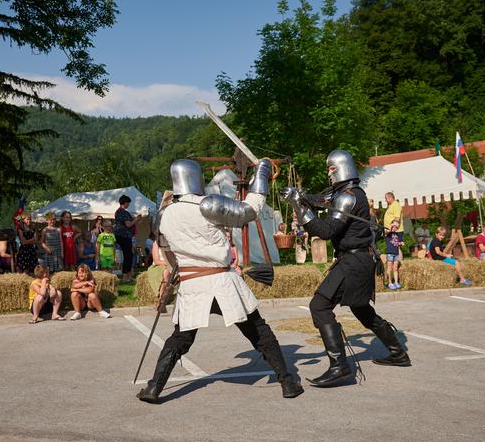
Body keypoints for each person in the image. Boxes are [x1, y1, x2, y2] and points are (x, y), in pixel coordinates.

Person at [137, 158, 303, 403]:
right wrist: (263, 171)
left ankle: (154, 387)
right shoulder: (207, 205)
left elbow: (166, 248)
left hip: (193, 283)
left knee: (180, 338)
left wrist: (177, 269)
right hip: (221, 282)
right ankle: (287, 381)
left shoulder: (164, 214)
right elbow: (249, 210)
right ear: (196, 177)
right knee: (259, 332)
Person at [282, 149, 410, 388]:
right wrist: (300, 196)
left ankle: (340, 367)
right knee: (362, 310)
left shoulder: (348, 196)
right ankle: (398, 352)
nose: (329, 173)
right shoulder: (345, 193)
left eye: (331, 168)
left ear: (341, 167)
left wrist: (298, 207)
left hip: (354, 262)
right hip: (359, 259)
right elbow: (321, 200)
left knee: (319, 306)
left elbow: (326, 231)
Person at [114, 195, 142, 282]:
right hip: (124, 235)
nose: (129, 204)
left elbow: (128, 223)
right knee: (128, 256)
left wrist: (136, 220)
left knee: (128, 255)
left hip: (120, 235)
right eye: (128, 203)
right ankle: (126, 276)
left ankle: (128, 275)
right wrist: (136, 219)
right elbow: (128, 224)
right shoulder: (123, 212)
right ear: (125, 202)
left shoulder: (117, 212)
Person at [384, 220, 402, 290]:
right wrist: (391, 226)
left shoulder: (397, 234)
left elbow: (397, 243)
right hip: (390, 253)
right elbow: (386, 231)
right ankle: (390, 283)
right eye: (394, 226)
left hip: (396, 253)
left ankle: (396, 282)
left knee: (395, 268)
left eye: (397, 227)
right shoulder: (388, 233)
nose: (395, 228)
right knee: (389, 268)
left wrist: (400, 243)